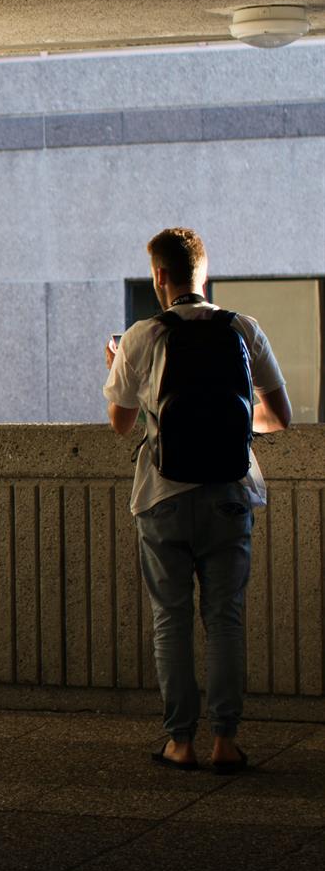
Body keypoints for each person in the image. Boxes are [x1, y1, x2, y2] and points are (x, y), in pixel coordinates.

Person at [103, 228, 290, 773]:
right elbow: (280, 417)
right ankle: (226, 741)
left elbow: (121, 424)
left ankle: (180, 742)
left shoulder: (142, 335)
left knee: (172, 620)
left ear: (160, 276)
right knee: (225, 619)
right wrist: (234, 424)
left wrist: (113, 362)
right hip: (230, 494)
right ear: (201, 272)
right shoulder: (244, 329)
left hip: (163, 497)